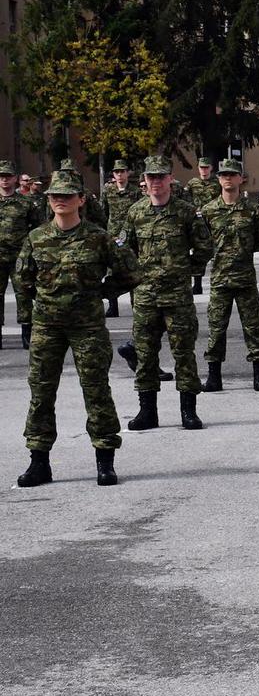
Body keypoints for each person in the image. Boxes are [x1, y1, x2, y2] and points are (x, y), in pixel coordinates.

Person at [13, 170, 139, 487]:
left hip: (88, 327)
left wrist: (100, 292)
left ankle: (105, 461)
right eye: (55, 196)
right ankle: (39, 462)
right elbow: (23, 280)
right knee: (41, 394)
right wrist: (38, 308)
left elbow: (129, 273)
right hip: (48, 328)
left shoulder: (98, 237)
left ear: (81, 200)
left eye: (67, 195)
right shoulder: (37, 238)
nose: (60, 200)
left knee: (96, 391)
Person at [119, 155, 213, 431]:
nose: (156, 182)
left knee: (183, 353)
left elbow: (205, 246)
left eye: (161, 176)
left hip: (177, 297)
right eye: (151, 177)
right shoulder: (136, 213)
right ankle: (147, 412)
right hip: (146, 297)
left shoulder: (186, 211)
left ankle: (188, 412)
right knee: (146, 355)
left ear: (170, 179)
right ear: (144, 181)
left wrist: (187, 270)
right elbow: (125, 248)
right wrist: (136, 275)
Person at [200, 159, 259, 393]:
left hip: (245, 279)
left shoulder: (253, 209)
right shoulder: (209, 211)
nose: (228, 179)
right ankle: (214, 376)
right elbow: (204, 243)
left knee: (252, 327)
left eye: (232, 175)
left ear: (241, 179)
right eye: (223, 175)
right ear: (218, 179)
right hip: (220, 279)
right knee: (216, 328)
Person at [0, 160, 44, 349]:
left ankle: (27, 332)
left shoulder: (26, 203)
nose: (4, 180)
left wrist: (33, 252)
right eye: (1, 177)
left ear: (16, 179)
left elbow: (37, 229)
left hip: (20, 256)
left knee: (24, 293)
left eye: (8, 176)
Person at [102, 159, 143, 312]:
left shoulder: (135, 192)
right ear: (113, 174)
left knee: (132, 269)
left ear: (127, 173)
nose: (119, 174)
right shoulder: (108, 191)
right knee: (112, 271)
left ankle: (135, 304)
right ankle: (113, 306)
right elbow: (104, 212)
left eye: (122, 171)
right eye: (116, 172)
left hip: (131, 235)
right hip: (113, 235)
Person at [185, 158, 219, 296]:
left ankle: (217, 282)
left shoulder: (217, 183)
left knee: (217, 252)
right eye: (201, 167)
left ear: (211, 168)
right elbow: (186, 200)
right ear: (198, 168)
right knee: (198, 252)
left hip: (213, 221)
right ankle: (197, 285)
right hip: (198, 222)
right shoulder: (192, 183)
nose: (204, 170)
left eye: (206, 167)